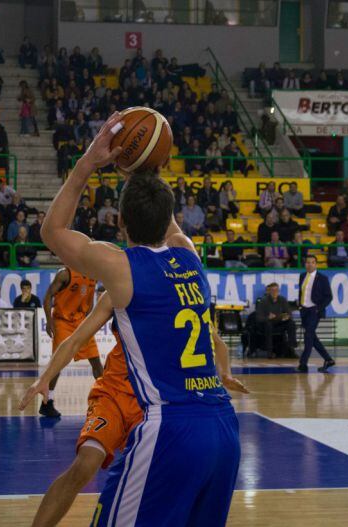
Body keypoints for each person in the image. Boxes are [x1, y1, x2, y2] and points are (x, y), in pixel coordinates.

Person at [41, 113, 239, 526]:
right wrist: (144, 168)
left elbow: (53, 230)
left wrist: (89, 163)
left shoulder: (123, 270)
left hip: (171, 428)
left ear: (119, 221)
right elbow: (161, 215)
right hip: (223, 428)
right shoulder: (189, 255)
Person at [20, 291, 248, 526]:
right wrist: (45, 377)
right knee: (85, 465)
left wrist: (225, 374)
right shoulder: (118, 291)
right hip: (114, 394)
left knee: (165, 481)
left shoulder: (181, 294)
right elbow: (76, 339)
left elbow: (216, 341)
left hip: (156, 402)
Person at [42, 266, 105, 418]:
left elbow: (89, 301)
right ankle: (47, 402)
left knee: (96, 362)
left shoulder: (93, 274)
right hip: (62, 321)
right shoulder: (65, 273)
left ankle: (107, 397)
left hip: (81, 322)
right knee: (59, 362)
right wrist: (49, 321)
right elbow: (48, 296)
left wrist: (89, 320)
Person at [297, 255, 335, 373]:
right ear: (305, 264)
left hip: (314, 310)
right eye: (307, 262)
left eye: (312, 262)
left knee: (308, 336)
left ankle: (303, 364)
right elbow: (301, 292)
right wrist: (300, 305)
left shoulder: (322, 278)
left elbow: (329, 296)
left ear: (316, 264)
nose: (310, 265)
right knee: (312, 337)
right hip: (304, 310)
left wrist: (319, 308)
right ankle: (328, 359)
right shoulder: (302, 276)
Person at [255, 283, 297, 358]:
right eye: (273, 290)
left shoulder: (282, 299)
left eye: (276, 290)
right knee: (268, 325)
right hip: (267, 324)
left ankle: (291, 349)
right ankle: (269, 352)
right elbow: (258, 318)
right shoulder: (263, 301)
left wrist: (286, 317)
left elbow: (289, 313)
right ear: (269, 291)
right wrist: (268, 317)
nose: (275, 292)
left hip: (279, 323)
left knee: (291, 323)